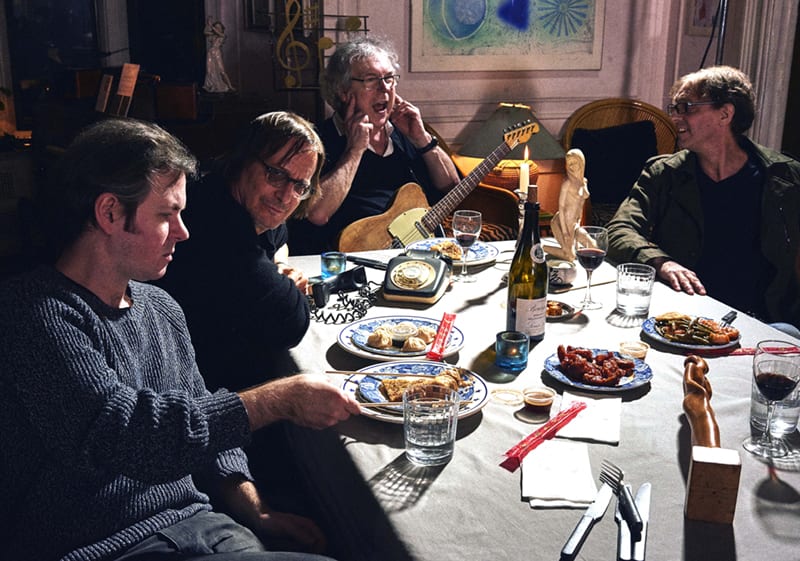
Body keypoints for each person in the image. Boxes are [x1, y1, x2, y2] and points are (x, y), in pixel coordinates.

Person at [0, 117, 360, 561]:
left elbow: (203, 428)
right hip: (108, 548)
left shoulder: (161, 308)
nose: (184, 231)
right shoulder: (34, 314)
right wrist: (276, 401)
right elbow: (128, 434)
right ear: (109, 212)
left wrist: (256, 509)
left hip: (205, 526)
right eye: (166, 215)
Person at [606, 65, 800, 330]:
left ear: (725, 114)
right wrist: (662, 262)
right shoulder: (664, 173)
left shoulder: (785, 177)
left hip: (764, 320)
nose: (675, 118)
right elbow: (619, 230)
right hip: (685, 316)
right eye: (674, 109)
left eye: (686, 107)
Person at [157, 111, 320, 393]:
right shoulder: (219, 224)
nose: (285, 196)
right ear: (244, 159)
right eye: (276, 174)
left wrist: (278, 264)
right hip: (199, 388)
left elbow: (279, 234)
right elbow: (291, 324)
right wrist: (284, 282)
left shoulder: (238, 197)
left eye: (299, 186)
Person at [288, 36, 459, 254]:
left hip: (414, 253)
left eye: (389, 78)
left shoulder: (404, 132)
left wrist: (422, 139)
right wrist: (354, 150)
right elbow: (316, 214)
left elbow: (451, 187)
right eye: (371, 80)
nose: (384, 88)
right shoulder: (316, 142)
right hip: (346, 258)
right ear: (343, 91)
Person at [545, 148, 590, 262]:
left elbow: (580, 206)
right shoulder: (567, 184)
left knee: (593, 244)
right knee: (570, 256)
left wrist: (577, 225)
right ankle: (541, 248)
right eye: (569, 163)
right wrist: (565, 232)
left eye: (574, 162)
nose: (571, 166)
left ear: (581, 162)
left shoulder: (584, 182)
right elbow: (561, 207)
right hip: (560, 222)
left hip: (574, 224)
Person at [203, 16, 235, 93]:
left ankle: (230, 86)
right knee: (209, 70)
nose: (217, 29)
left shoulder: (223, 35)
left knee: (222, 70)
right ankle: (212, 85)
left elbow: (220, 34)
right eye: (216, 27)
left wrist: (211, 26)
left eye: (218, 27)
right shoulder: (213, 35)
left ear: (221, 28)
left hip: (217, 53)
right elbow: (205, 32)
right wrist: (208, 24)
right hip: (210, 53)